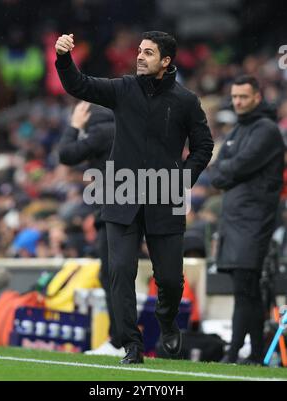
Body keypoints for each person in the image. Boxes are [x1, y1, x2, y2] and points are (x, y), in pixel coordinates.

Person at [55, 31, 213, 364]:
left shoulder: (185, 100)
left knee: (169, 278)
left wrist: (183, 179)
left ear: (165, 62)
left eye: (149, 53)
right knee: (120, 271)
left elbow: (204, 146)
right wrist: (64, 58)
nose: (140, 57)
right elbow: (79, 85)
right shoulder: (122, 89)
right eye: (139, 51)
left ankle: (167, 321)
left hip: (164, 197)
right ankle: (132, 344)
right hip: (120, 196)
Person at [210, 75, 285, 364]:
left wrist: (226, 169)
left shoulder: (265, 129)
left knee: (246, 288)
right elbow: (218, 171)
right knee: (246, 289)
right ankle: (254, 354)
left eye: (244, 96)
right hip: (235, 218)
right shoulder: (238, 129)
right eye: (235, 97)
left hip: (254, 218)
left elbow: (238, 165)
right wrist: (226, 169)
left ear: (257, 97)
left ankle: (233, 354)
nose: (238, 102)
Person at [58, 101, 125, 356]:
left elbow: (66, 154)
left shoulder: (101, 132)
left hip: (114, 211)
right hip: (128, 208)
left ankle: (120, 340)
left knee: (112, 276)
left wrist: (74, 127)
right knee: (116, 276)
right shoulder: (119, 129)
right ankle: (123, 338)